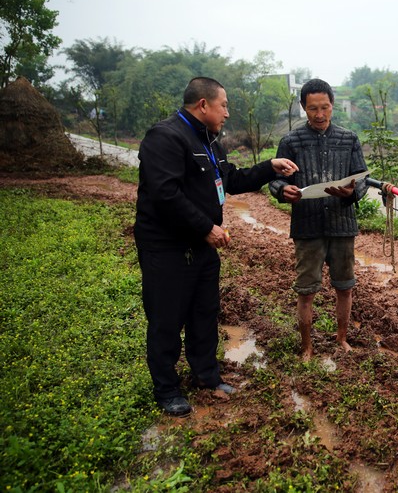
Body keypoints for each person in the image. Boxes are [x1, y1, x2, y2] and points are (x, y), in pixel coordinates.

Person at [134, 76, 298, 417]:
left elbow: (232, 180)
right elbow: (165, 193)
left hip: (203, 245)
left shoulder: (209, 140)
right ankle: (166, 390)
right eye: (223, 105)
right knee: (166, 318)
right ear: (203, 105)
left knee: (203, 313)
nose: (227, 113)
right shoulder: (165, 137)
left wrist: (270, 167)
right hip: (167, 246)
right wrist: (206, 227)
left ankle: (206, 375)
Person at [269, 78, 368, 361]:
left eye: (325, 107)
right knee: (306, 290)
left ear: (333, 106)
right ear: (303, 107)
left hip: (342, 224)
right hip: (307, 226)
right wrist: (282, 190)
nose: (320, 114)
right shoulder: (290, 141)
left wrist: (351, 192)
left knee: (345, 287)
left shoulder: (348, 139)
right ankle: (306, 347)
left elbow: (362, 178)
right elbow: (275, 181)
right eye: (313, 108)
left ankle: (342, 339)